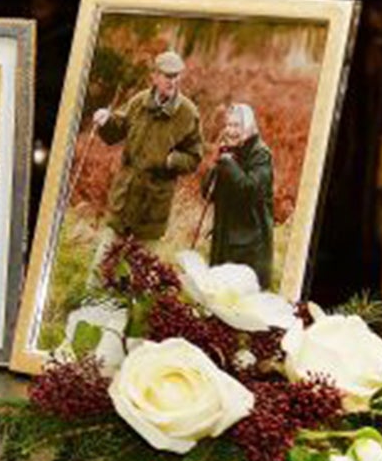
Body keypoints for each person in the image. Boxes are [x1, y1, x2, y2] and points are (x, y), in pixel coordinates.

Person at [92, 50, 203, 245]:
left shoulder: (189, 113)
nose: (173, 81)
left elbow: (194, 157)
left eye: (176, 76)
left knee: (141, 272)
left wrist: (172, 160)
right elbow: (115, 131)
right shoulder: (139, 102)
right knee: (102, 268)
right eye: (168, 76)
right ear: (155, 76)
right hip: (123, 202)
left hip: (153, 209)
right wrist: (105, 120)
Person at [199, 101, 275, 288]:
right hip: (225, 237)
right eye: (228, 125)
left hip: (250, 245)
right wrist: (218, 162)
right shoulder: (229, 152)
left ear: (248, 127)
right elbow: (207, 192)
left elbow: (249, 189)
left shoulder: (261, 154)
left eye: (236, 125)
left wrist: (228, 164)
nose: (230, 130)